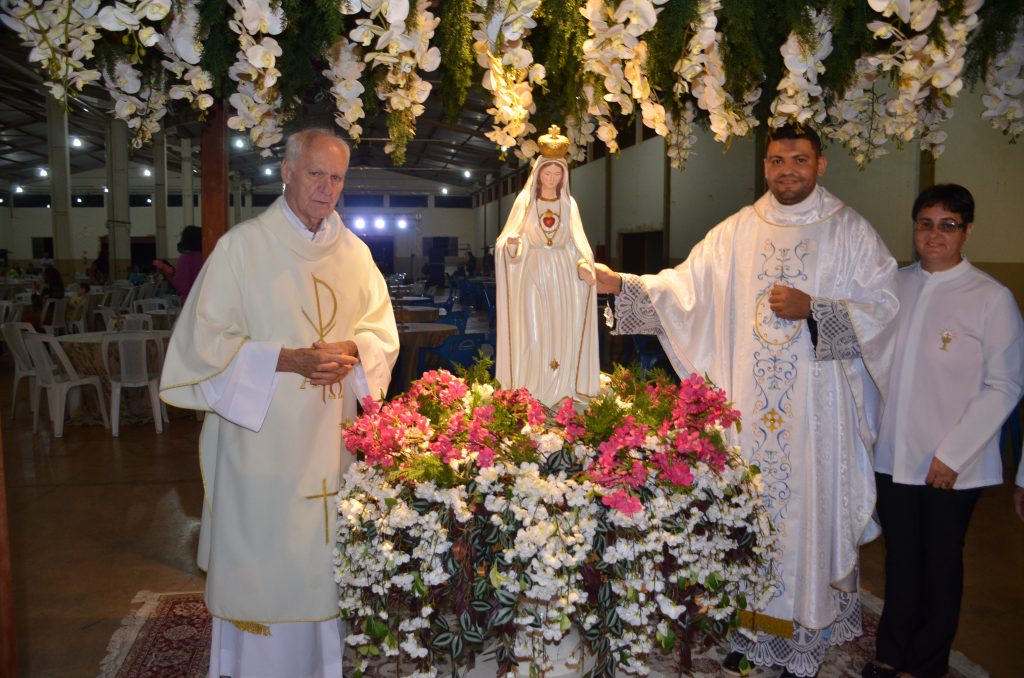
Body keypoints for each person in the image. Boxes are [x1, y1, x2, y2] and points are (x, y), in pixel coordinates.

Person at [584, 125, 898, 677]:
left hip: (816, 421)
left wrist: (817, 309)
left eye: (799, 160)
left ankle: (803, 631)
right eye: (777, 160)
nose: (787, 171)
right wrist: (625, 285)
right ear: (766, 167)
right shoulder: (736, 232)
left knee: (804, 517)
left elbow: (885, 309)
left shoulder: (851, 232)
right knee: (745, 517)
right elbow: (687, 290)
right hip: (750, 419)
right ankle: (752, 633)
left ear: (821, 164)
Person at [160, 128, 399, 678]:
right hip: (260, 444)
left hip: (329, 445)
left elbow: (381, 333)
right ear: (286, 172)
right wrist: (284, 360)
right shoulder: (242, 248)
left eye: (337, 177)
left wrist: (352, 349)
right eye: (316, 173)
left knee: (324, 566)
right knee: (265, 567)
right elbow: (205, 343)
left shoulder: (356, 254)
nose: (327, 188)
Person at [863, 185, 1024, 678]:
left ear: (967, 231)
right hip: (894, 454)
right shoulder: (894, 284)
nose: (934, 234)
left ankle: (927, 664)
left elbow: (1005, 385)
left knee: (940, 565)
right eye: (925, 223)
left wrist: (953, 454)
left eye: (947, 225)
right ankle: (891, 655)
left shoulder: (990, 298)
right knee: (901, 559)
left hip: (955, 463)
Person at [495, 125, 600, 408]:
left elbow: (577, 243)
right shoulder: (525, 202)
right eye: (547, 172)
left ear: (563, 176)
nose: (552, 178)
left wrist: (583, 264)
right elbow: (506, 242)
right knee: (534, 328)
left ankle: (562, 387)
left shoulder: (569, 204)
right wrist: (514, 246)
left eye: (557, 174)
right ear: (538, 173)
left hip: (563, 276)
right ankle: (533, 387)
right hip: (533, 273)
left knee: (561, 328)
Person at [173, 225, 203, 303]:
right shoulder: (208, 256)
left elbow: (181, 285)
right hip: (207, 300)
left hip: (190, 302)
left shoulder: (186, 258)